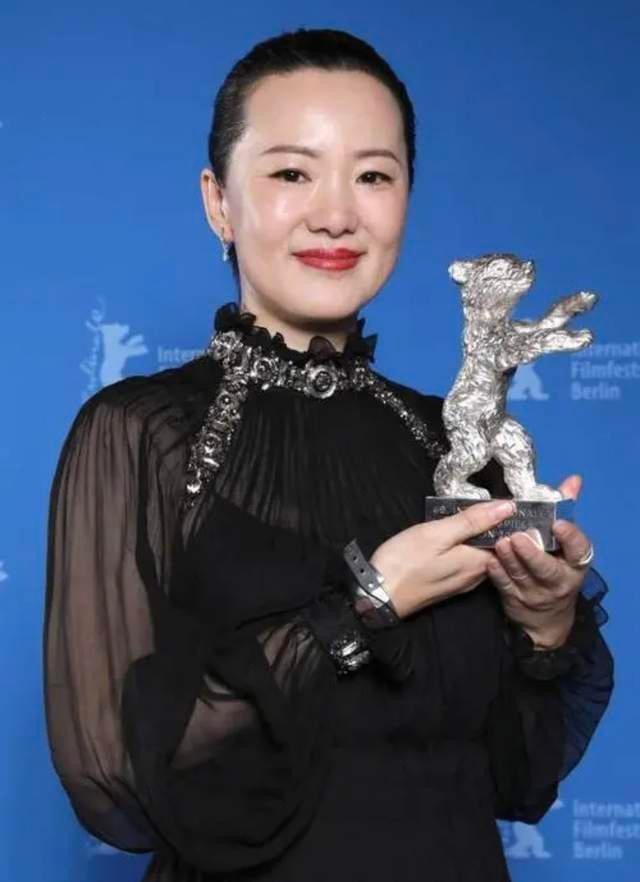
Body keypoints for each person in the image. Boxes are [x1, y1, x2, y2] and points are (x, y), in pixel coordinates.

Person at [43, 27, 614, 882]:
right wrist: (367, 604)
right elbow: (115, 775)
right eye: (291, 173)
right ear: (218, 202)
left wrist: (544, 624)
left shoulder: (453, 443)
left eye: (374, 175)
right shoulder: (144, 433)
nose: (337, 213)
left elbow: (514, 774)